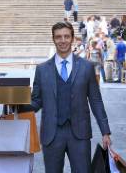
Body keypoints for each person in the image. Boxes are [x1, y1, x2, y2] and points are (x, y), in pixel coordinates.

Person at [23, 21, 112, 172]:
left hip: (79, 134)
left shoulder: (86, 67)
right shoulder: (42, 70)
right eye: (58, 37)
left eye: (66, 36)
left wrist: (105, 131)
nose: (62, 40)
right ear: (53, 39)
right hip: (52, 134)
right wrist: (15, 104)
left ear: (72, 38)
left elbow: (96, 100)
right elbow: (36, 101)